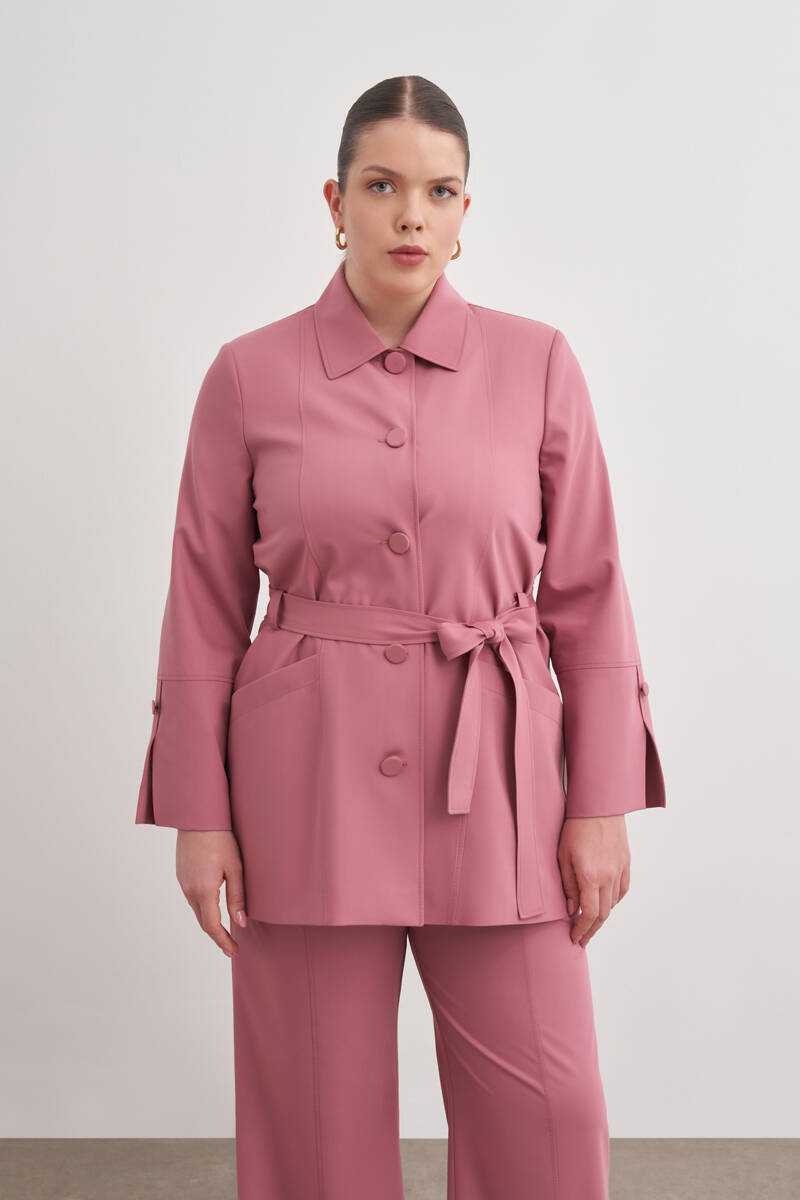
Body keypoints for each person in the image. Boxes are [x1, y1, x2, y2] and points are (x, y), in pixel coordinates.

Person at [135, 74, 666, 1200]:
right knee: (314, 1131)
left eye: (438, 191)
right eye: (381, 187)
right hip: (303, 783)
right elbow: (201, 604)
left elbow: (589, 592)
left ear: (466, 210)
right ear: (336, 202)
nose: (410, 216)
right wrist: (198, 813)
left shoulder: (538, 363)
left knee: (549, 1116)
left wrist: (601, 803)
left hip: (500, 783)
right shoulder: (248, 374)